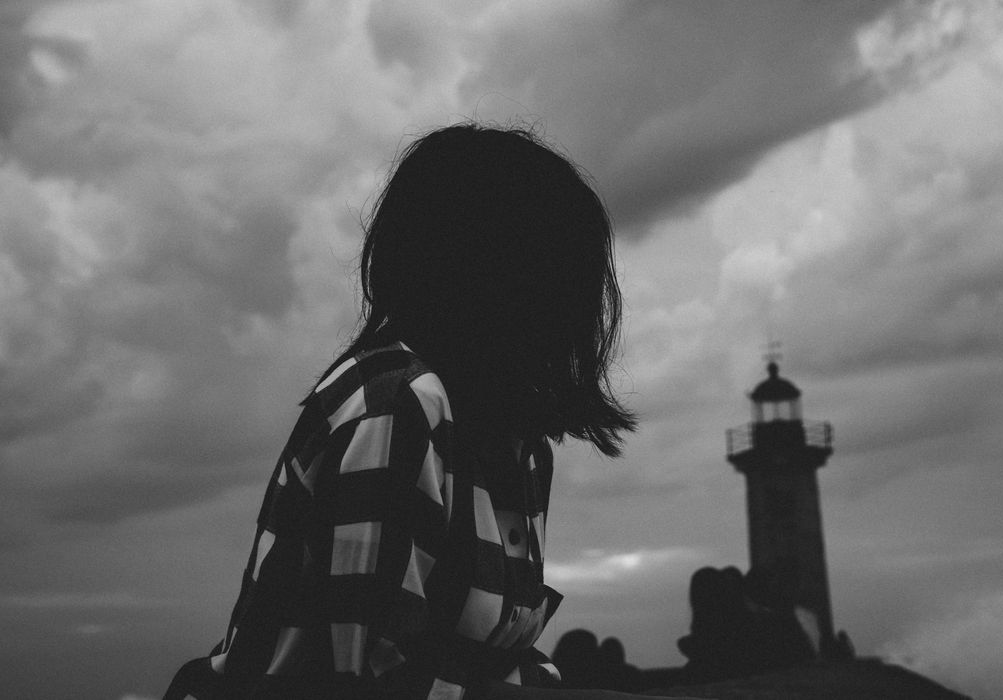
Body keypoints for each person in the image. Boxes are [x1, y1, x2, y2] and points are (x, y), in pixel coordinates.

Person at [163, 124, 689, 699]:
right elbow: (367, 683)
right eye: (563, 273)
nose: (579, 312)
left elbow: (483, 664)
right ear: (495, 274)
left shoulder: (517, 442)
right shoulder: (398, 407)